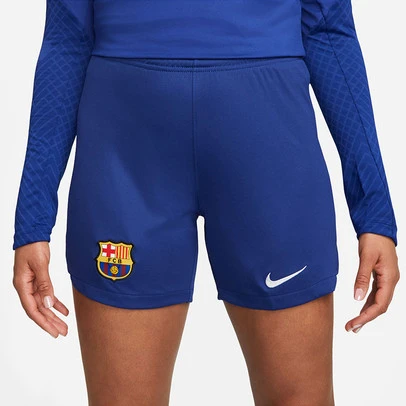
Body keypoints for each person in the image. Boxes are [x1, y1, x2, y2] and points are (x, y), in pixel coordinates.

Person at [12, 0, 400, 405]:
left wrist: (374, 211)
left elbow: (327, 29)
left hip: (267, 151)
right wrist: (33, 219)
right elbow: (67, 37)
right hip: (127, 154)